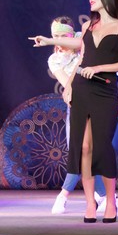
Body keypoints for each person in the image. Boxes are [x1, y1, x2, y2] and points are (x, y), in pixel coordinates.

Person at [30, 0, 118, 223]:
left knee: (102, 147)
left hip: (105, 89)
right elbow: (81, 52)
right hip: (82, 89)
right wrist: (49, 43)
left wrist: (99, 67)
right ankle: (90, 203)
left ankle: (111, 201)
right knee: (84, 148)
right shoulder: (88, 25)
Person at [44, 17, 106, 214]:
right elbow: (67, 84)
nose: (59, 40)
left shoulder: (83, 39)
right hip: (78, 104)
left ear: (72, 34)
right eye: (55, 36)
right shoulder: (54, 59)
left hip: (99, 100)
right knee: (79, 152)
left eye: (63, 36)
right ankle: (104, 196)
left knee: (89, 152)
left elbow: (83, 45)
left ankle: (64, 195)